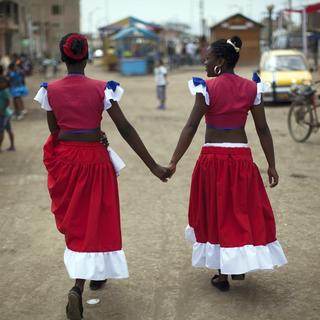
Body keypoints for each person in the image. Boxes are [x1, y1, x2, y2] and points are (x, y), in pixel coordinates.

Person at [34, 33, 170, 319]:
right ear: (86, 57)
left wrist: (81, 135)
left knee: (78, 221)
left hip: (69, 161)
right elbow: (126, 129)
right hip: (95, 160)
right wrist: (153, 166)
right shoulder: (102, 89)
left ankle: (89, 278)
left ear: (63, 58)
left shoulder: (51, 90)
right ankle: (79, 285)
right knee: (98, 217)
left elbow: (55, 131)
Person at [168, 36, 287, 292]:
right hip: (242, 158)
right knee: (240, 211)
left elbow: (191, 126)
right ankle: (237, 266)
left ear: (220, 61)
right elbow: (263, 129)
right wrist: (271, 164)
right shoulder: (252, 88)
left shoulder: (207, 88)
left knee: (217, 212)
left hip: (213, 159)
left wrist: (173, 161)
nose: (204, 62)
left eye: (208, 58)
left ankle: (222, 274)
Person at [0, 69, 15, 152]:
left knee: (1, 131)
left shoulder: (4, 91)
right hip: (6, 114)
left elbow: (8, 101)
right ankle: (12, 146)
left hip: (4, 114)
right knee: (8, 130)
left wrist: (2, 109)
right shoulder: (2, 91)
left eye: (2, 83)